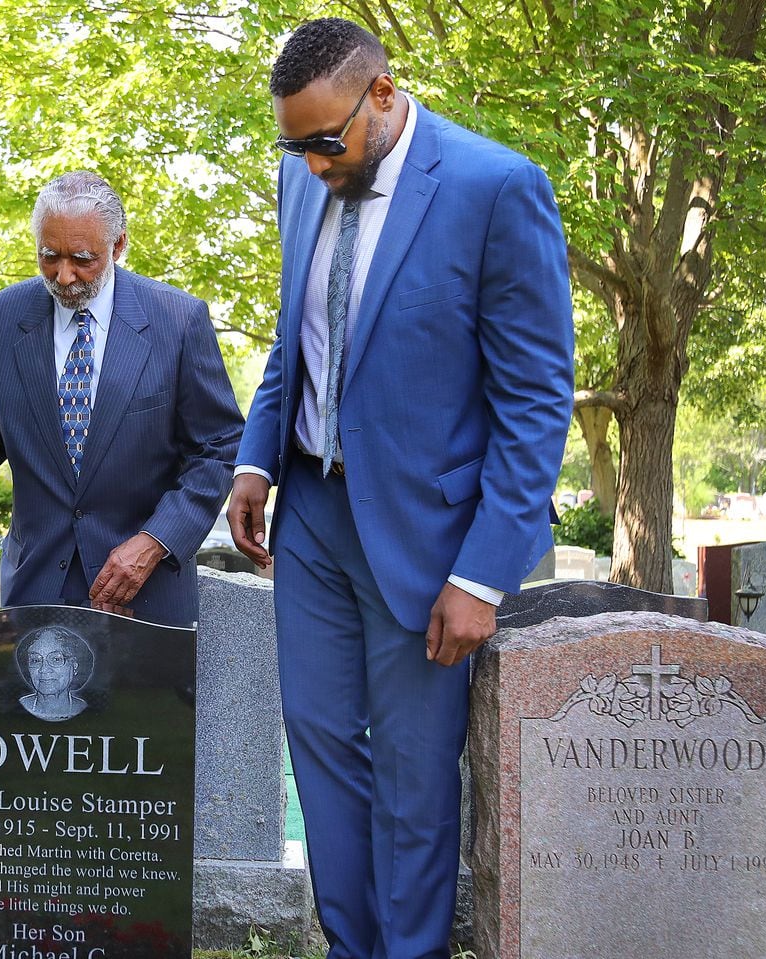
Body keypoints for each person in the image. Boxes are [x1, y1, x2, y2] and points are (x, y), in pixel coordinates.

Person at [228, 20, 574, 959]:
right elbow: (293, 337)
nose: (307, 166)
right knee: (323, 750)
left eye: (323, 142)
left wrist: (484, 574)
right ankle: (353, 946)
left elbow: (537, 401)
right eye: (291, 146)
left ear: (382, 93)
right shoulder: (307, 178)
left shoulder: (495, 189)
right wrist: (257, 459)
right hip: (310, 518)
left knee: (417, 775)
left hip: (428, 541)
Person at [0, 171, 243, 625]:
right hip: (36, 587)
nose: (64, 275)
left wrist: (155, 540)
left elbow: (217, 448)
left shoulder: (178, 320)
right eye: (49, 256)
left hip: (146, 590)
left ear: (118, 247)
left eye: (82, 259)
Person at [16, 625, 94, 721]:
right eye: (35, 660)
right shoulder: (17, 706)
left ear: (74, 666)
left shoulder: (85, 708)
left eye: (56, 659)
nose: (44, 669)